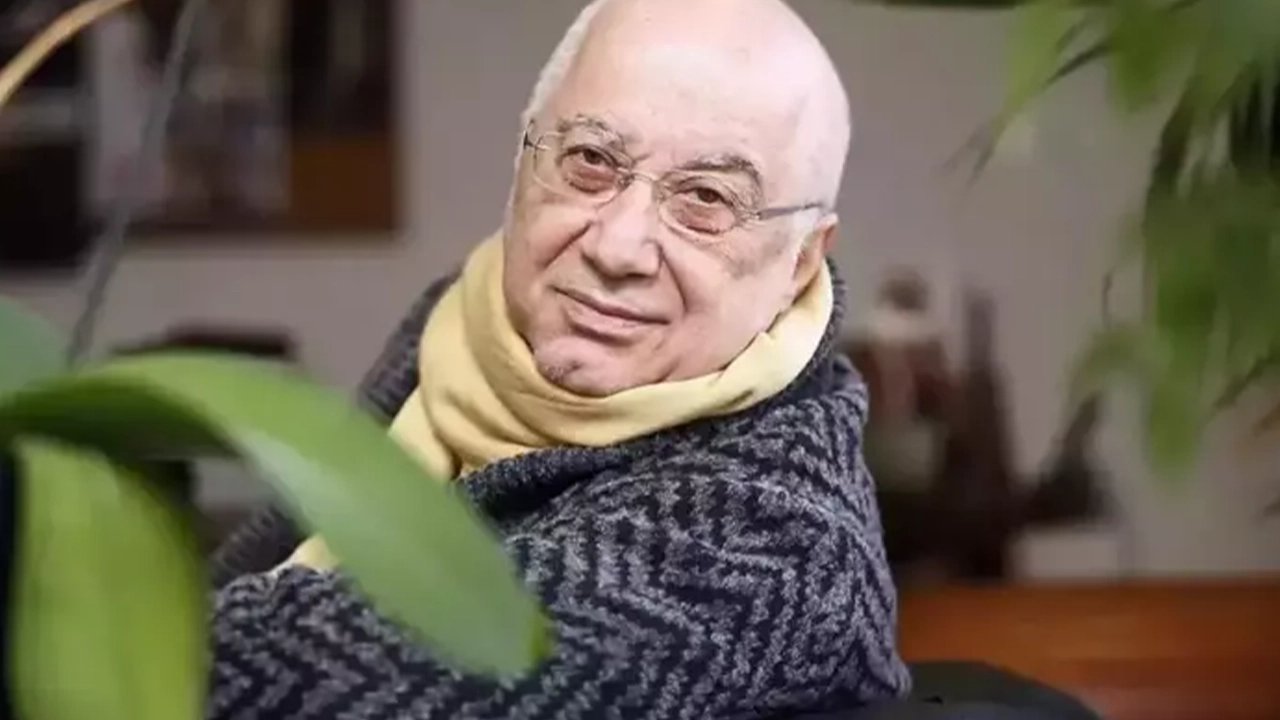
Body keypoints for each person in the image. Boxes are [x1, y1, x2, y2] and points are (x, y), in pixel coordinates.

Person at [207, 0, 912, 717]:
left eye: (706, 198)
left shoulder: (783, 542)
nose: (616, 248)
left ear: (800, 262)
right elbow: (257, 568)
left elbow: (348, 674)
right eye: (592, 161)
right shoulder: (468, 325)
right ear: (523, 157)